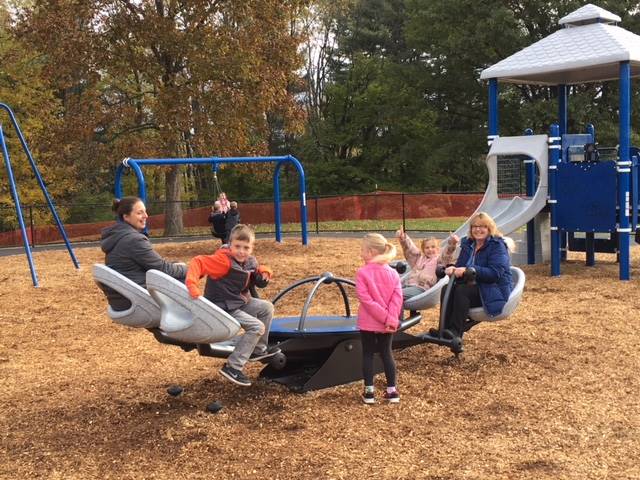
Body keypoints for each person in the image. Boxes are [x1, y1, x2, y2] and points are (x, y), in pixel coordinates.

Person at [185, 224, 279, 387]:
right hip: (222, 306)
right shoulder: (223, 261)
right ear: (230, 244)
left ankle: (258, 349)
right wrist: (192, 286)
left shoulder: (249, 261)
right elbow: (198, 262)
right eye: (237, 246)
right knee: (257, 327)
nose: (241, 251)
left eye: (246, 247)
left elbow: (257, 270)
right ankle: (233, 367)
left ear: (251, 248)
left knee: (266, 307)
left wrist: (265, 271)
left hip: (237, 302)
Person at [100, 196, 187, 311]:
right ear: (126, 217)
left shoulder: (117, 237)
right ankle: (182, 323)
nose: (146, 216)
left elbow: (154, 266)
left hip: (122, 300)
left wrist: (177, 265)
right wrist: (188, 269)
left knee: (176, 268)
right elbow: (163, 269)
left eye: (145, 212)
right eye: (140, 213)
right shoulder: (134, 240)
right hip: (138, 300)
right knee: (182, 278)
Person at [440, 212, 513, 342]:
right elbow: (461, 266)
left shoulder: (497, 246)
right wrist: (453, 268)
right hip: (474, 286)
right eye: (474, 226)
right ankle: (444, 330)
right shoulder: (468, 244)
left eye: (482, 226)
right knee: (447, 288)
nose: (478, 230)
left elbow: (494, 273)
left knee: (462, 291)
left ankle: (455, 332)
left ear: (489, 228)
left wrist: (469, 270)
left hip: (493, 289)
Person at [355, 233, 403, 404]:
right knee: (386, 353)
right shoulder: (393, 274)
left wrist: (383, 317)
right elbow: (397, 299)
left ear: (371, 252)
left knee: (368, 353)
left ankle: (369, 392)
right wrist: (390, 319)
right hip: (388, 323)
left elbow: (365, 299)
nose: (360, 254)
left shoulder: (362, 272)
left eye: (362, 250)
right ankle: (392, 391)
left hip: (369, 321)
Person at [396, 227, 459, 301]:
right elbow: (410, 250)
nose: (430, 250)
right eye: (427, 248)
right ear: (423, 250)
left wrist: (452, 243)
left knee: (396, 294)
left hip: (421, 288)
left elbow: (447, 254)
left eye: (433, 247)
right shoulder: (419, 259)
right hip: (408, 285)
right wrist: (403, 238)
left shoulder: (439, 261)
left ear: (437, 249)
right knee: (389, 292)